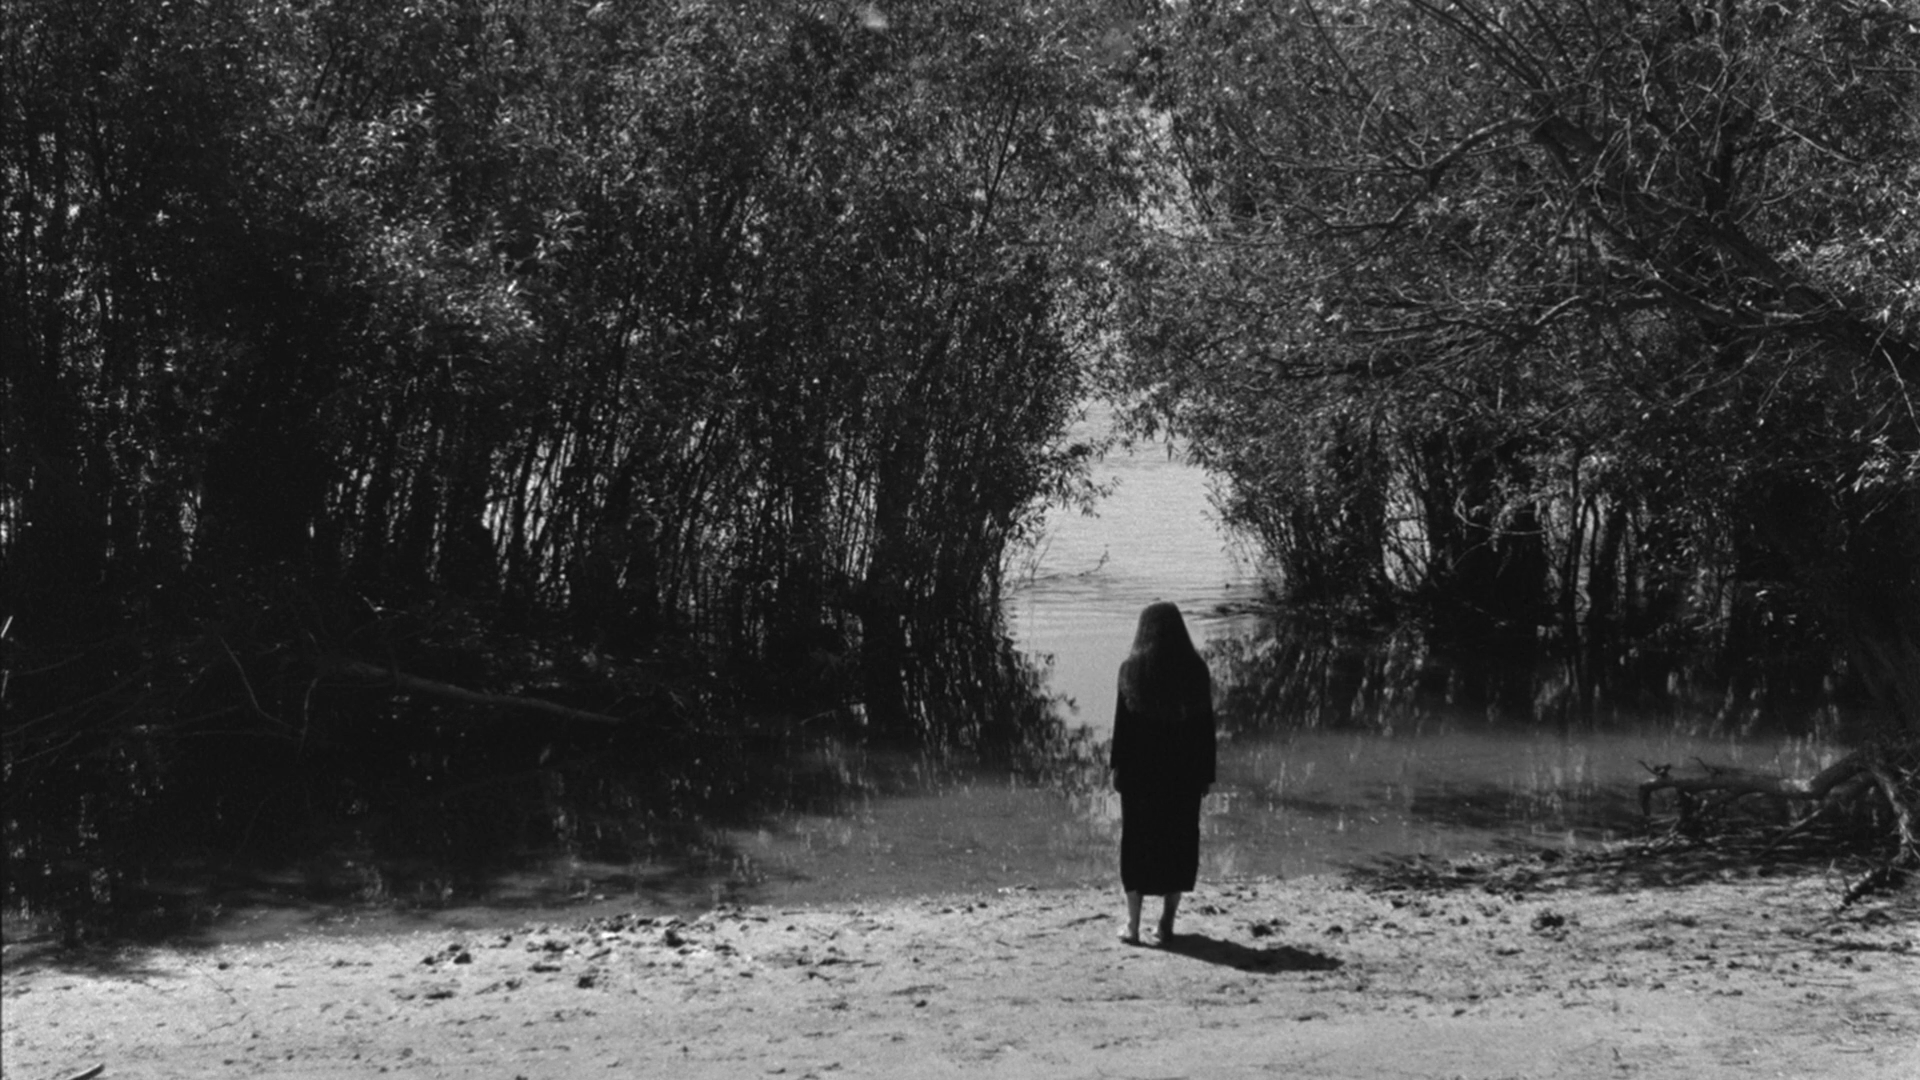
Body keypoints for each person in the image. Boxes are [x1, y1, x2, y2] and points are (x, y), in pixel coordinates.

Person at [1110, 601, 1216, 945]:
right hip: (1183, 774)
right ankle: (1166, 923)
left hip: (1140, 774)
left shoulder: (1131, 670)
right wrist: (1206, 774)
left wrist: (1117, 768)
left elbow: (1123, 728)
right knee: (1179, 844)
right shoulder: (1196, 670)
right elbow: (1205, 729)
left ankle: (1133, 925)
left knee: (1136, 845)